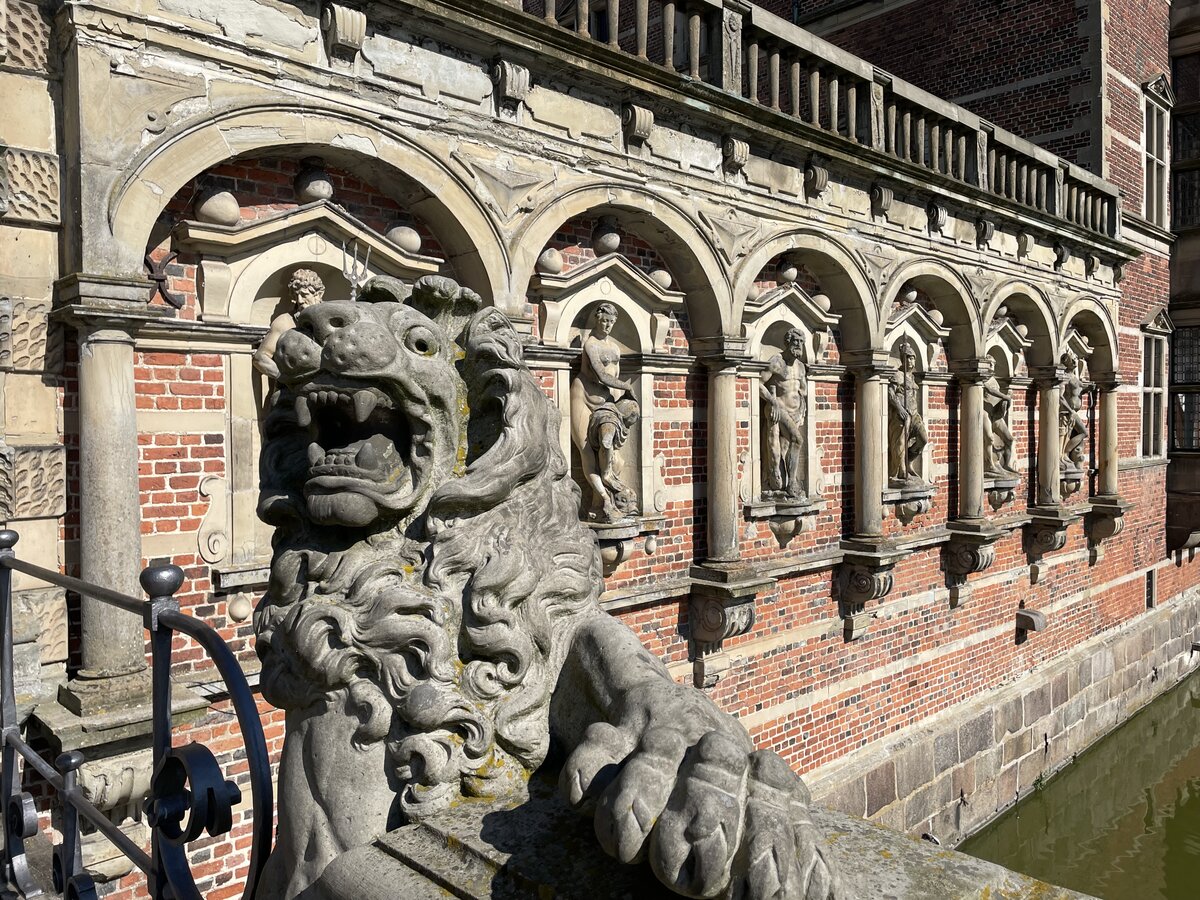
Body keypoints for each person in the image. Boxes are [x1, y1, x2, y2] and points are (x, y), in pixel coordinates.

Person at [570, 303, 640, 522]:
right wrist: (627, 387)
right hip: (583, 396)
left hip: (606, 401)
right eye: (604, 320)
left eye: (611, 322)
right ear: (596, 319)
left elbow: (612, 377)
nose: (607, 325)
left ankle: (604, 493)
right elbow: (601, 375)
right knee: (586, 452)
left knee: (613, 454)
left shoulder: (615, 348)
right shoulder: (590, 344)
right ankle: (604, 500)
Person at [760, 328, 808, 500]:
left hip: (795, 413)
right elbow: (758, 383)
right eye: (795, 341)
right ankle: (792, 484)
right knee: (798, 440)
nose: (799, 345)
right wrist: (772, 401)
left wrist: (801, 410)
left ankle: (778, 482)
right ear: (787, 342)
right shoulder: (776, 362)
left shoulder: (801, 366)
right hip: (778, 409)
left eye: (801, 342)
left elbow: (803, 392)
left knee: (784, 448)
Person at [253, 268, 326, 379]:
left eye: (304, 295)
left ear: (319, 295)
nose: (300, 300)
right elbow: (260, 358)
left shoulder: (331, 319)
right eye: (296, 296)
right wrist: (285, 379)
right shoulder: (284, 322)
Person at [887, 340, 928, 483]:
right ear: (902, 359)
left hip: (914, 413)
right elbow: (891, 394)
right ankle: (900, 471)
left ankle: (908, 460)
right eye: (907, 358)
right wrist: (899, 409)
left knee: (923, 439)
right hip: (901, 414)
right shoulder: (897, 375)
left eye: (912, 358)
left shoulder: (912, 376)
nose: (910, 361)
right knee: (900, 443)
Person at [983, 372, 1018, 477]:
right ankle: (989, 465)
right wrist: (1006, 397)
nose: (992, 368)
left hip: (996, 414)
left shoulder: (994, 380)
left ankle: (1006, 464)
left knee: (1009, 439)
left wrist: (1004, 404)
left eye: (993, 365)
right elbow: (991, 391)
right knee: (989, 438)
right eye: (990, 365)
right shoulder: (982, 377)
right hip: (985, 412)